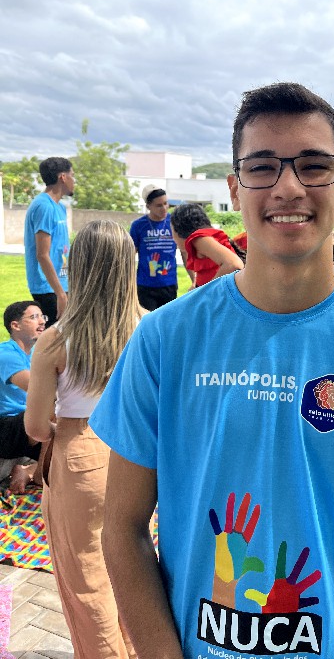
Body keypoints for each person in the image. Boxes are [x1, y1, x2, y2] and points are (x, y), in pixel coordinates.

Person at [90, 82, 334, 659]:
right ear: (234, 188)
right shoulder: (164, 341)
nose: (288, 187)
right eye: (263, 166)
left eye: (313, 166)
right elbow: (122, 529)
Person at [25, 220, 143, 659]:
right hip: (137, 454)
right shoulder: (150, 327)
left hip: (81, 453)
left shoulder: (55, 339)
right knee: (132, 568)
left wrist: (61, 429)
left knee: (86, 578)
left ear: (78, 267)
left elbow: (36, 427)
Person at [0, 301, 45, 493]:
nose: (42, 321)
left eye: (43, 316)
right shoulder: (6, 354)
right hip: (6, 427)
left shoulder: (36, 353)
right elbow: (40, 390)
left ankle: (29, 470)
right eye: (34, 317)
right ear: (15, 325)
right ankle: (39, 473)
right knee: (54, 412)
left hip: (27, 426)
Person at [24, 157, 74, 327]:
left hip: (60, 285)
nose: (74, 180)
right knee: (53, 338)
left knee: (64, 336)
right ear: (63, 177)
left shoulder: (59, 207)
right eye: (72, 175)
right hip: (47, 288)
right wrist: (60, 294)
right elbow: (42, 254)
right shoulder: (44, 206)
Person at [129, 185, 180, 310]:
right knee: (148, 319)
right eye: (159, 205)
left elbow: (184, 252)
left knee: (168, 320)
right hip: (145, 285)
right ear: (148, 206)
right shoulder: (138, 226)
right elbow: (130, 255)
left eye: (166, 203)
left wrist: (193, 279)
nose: (164, 208)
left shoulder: (174, 222)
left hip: (169, 283)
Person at [170, 203, 244, 287]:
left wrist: (205, 291)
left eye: (172, 229)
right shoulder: (202, 240)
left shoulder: (199, 239)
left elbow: (233, 264)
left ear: (179, 228)